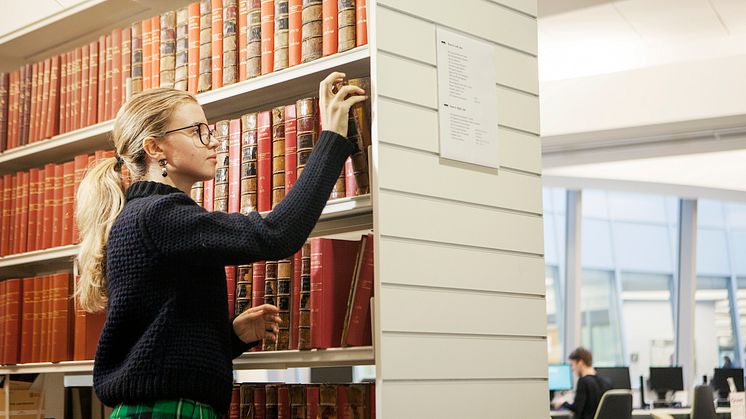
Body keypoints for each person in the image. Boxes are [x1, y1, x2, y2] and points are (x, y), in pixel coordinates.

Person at [74, 72, 367, 418]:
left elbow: (159, 347)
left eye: (209, 129)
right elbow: (276, 234)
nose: (213, 141)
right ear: (155, 148)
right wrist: (332, 138)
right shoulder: (158, 215)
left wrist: (231, 337)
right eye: (197, 131)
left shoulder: (145, 215)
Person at [560, 347, 612, 419]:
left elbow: (577, 408)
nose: (572, 369)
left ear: (580, 363)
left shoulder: (583, 381)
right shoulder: (607, 381)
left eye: (573, 364)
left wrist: (562, 403)